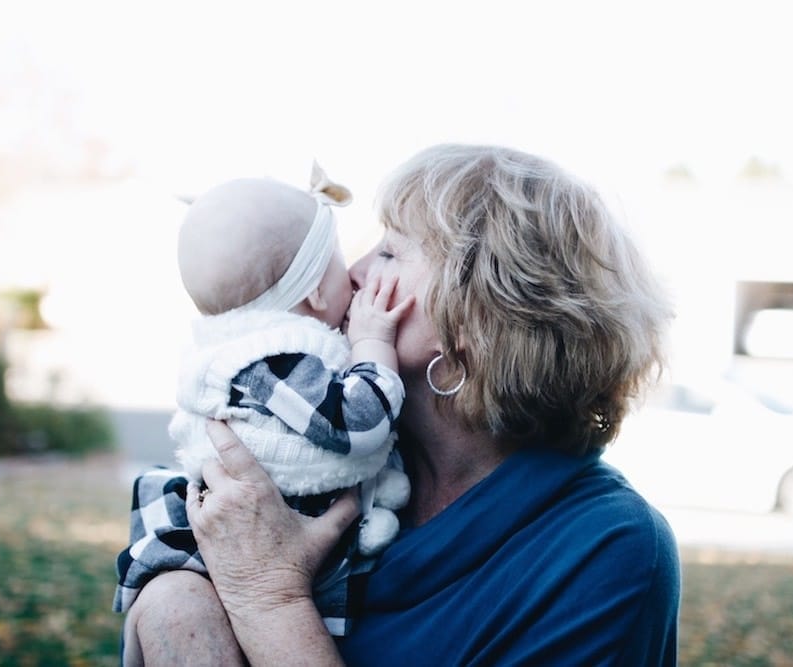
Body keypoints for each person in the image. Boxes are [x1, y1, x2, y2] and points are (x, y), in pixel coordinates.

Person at [120, 143, 680, 666]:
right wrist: (172, 592)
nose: (357, 273)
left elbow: (253, 589)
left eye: (389, 251)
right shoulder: (329, 450)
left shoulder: (606, 551)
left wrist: (269, 599)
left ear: (478, 318)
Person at [113, 163, 414, 645]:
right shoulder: (275, 360)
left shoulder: (257, 353)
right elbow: (361, 421)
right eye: (340, 261)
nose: (357, 274)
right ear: (316, 290)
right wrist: (373, 343)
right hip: (246, 546)